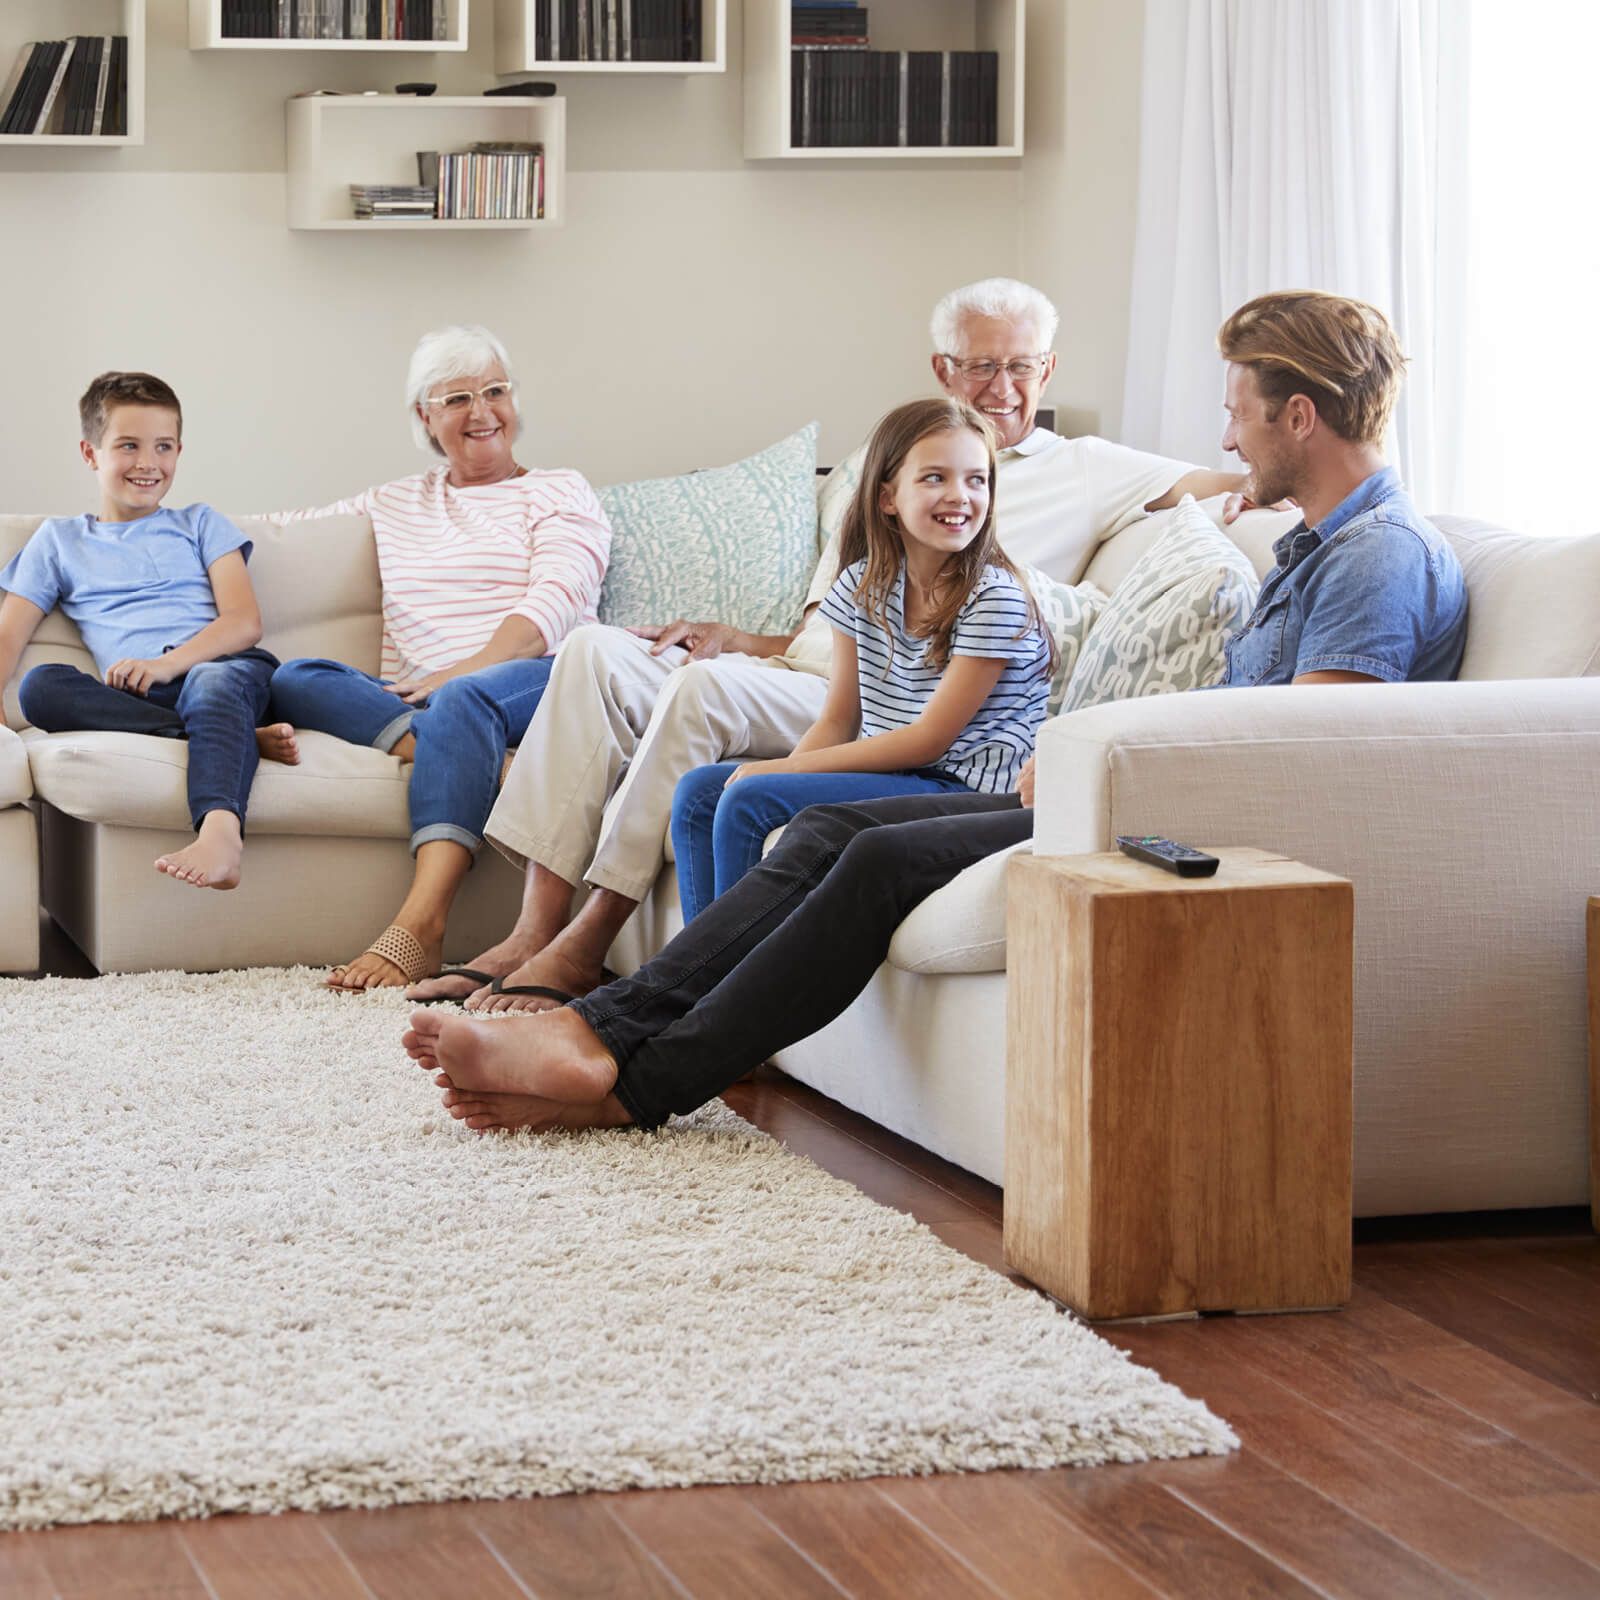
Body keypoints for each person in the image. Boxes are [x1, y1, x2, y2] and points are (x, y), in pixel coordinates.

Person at [402, 288, 1469, 1133]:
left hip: (1187, 830)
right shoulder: (1315, 544)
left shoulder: (1377, 556)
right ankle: (599, 1032)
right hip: (1135, 794)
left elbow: (1308, 752)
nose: (1227, 439)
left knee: (863, 856)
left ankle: (626, 1073)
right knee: (823, 825)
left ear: (1298, 414)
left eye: (1238, 412)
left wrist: (1102, 751)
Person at [411, 276, 1242, 1012]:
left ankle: (611, 949)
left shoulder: (1084, 475)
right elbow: (832, 648)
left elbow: (1233, 477)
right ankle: (550, 934)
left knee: (709, 717)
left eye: (1022, 365)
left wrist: (1245, 505)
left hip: (929, 735)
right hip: (810, 674)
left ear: (1047, 371)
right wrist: (743, 641)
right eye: (982, 365)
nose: (1003, 385)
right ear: (942, 371)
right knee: (594, 652)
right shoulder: (875, 492)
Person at [268, 325, 611, 990]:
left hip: (542, 682)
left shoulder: (560, 490)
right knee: (293, 676)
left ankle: (419, 929)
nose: (481, 413)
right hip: (434, 699)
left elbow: (553, 607)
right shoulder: (395, 501)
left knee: (462, 700)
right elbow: (280, 534)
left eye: (494, 391)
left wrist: (460, 672)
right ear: (424, 417)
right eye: (456, 398)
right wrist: (160, 527)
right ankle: (472, 756)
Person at [668, 396, 1052, 921]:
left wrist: (785, 770)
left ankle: (711, 985)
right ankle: (697, 977)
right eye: (935, 478)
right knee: (698, 792)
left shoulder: (995, 598)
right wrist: (784, 774)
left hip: (972, 790)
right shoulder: (859, 586)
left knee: (749, 800)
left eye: (976, 479)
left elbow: (928, 741)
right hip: (907, 775)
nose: (960, 495)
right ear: (887, 497)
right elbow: (838, 719)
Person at [0, 371, 295, 892]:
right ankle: (227, 738)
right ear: (91, 453)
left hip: (226, 675)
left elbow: (243, 622)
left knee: (210, 684)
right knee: (40, 686)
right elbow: (8, 635)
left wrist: (167, 662)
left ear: (179, 451)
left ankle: (220, 831)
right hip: (143, 696)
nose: (147, 463)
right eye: (128, 445)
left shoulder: (200, 523)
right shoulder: (59, 540)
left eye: (163, 447)